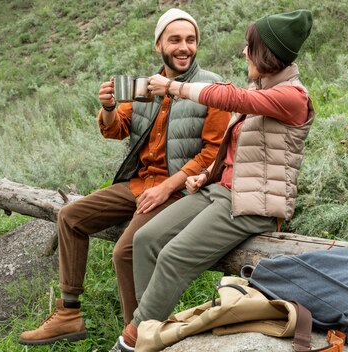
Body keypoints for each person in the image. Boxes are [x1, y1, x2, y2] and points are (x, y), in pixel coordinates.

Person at [18, 8, 231, 346]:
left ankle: (139, 335)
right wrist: (107, 108)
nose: (184, 47)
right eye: (175, 39)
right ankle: (69, 314)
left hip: (179, 191)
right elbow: (119, 129)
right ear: (158, 44)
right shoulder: (146, 86)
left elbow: (212, 154)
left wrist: (167, 188)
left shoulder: (212, 86)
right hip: (138, 183)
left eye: (191, 40)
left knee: (125, 251)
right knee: (70, 216)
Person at [110, 9, 314, 351]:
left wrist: (174, 87)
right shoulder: (261, 87)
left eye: (249, 47)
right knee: (145, 239)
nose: (243, 53)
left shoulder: (292, 96)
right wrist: (207, 174)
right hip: (219, 191)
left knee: (174, 256)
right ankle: (151, 329)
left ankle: (133, 341)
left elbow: (232, 97)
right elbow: (235, 149)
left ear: (264, 53)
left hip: (251, 205)